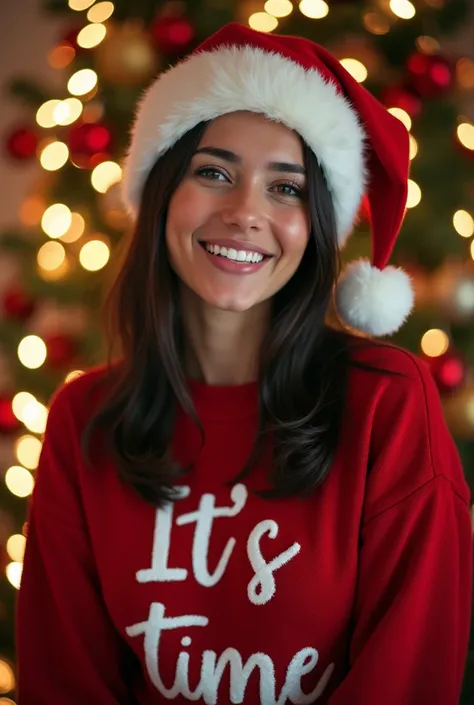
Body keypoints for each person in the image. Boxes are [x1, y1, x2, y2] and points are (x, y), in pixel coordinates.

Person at [16, 22, 472, 705]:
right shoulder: (84, 418)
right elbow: (63, 678)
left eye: (285, 188)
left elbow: (406, 676)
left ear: (316, 223)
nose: (244, 212)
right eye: (213, 172)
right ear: (163, 191)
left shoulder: (387, 403)